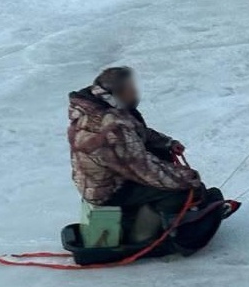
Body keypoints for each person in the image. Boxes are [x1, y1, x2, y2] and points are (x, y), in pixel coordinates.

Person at [68, 66, 209, 243]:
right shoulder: (112, 126)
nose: (136, 93)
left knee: (163, 158)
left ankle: (135, 219)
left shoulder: (100, 106)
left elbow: (136, 133)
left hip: (100, 178)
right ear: (119, 92)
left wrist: (166, 143)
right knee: (179, 191)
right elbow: (143, 168)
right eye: (132, 89)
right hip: (107, 190)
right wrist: (186, 179)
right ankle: (142, 238)